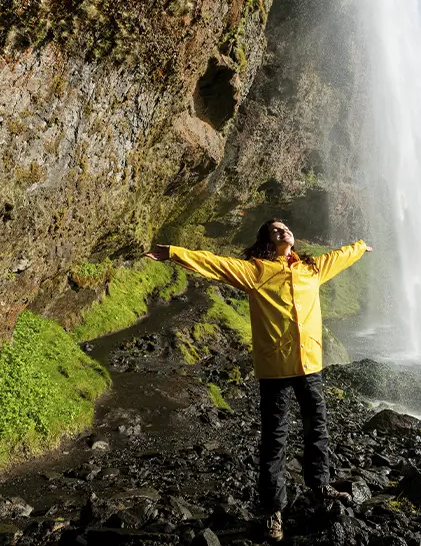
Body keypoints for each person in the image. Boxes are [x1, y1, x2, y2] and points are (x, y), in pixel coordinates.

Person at [146, 219, 372, 542]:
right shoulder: (257, 272)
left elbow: (340, 255)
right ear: (268, 241)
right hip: (275, 371)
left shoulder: (312, 269)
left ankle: (320, 486)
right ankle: (273, 514)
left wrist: (361, 247)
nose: (283, 232)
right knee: (275, 441)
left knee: (317, 427)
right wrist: (172, 253)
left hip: (310, 366)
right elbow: (215, 264)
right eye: (275, 231)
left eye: (285, 228)